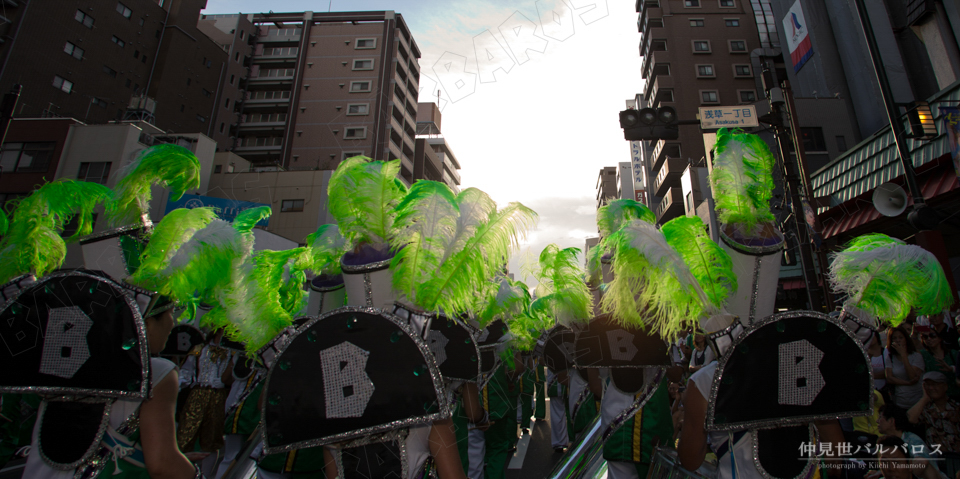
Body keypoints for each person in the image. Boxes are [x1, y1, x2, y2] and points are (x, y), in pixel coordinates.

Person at [23, 307, 207, 478]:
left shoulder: (67, 366)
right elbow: (162, 465)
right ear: (148, 322)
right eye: (171, 312)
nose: (173, 323)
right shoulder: (157, 371)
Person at [907, 372, 960, 477]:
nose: (931, 388)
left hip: (957, 457)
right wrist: (924, 399)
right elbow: (911, 418)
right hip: (936, 459)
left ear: (945, 386)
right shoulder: (925, 408)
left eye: (935, 384)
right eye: (927, 385)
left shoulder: (956, 407)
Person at [877, 405, 942, 479]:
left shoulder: (913, 440)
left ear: (891, 421)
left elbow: (922, 462)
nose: (877, 421)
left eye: (880, 418)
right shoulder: (885, 445)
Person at [884, 326, 926, 409]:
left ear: (906, 339)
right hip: (900, 401)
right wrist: (907, 383)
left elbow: (912, 376)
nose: (898, 340)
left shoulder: (916, 356)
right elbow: (889, 378)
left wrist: (904, 356)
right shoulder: (890, 357)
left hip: (917, 400)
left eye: (900, 337)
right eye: (894, 338)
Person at [919, 330, 960, 400]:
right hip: (935, 398)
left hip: (955, 395)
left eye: (932, 336)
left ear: (940, 338)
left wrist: (952, 369)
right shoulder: (923, 355)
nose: (929, 339)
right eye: (925, 337)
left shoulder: (953, 354)